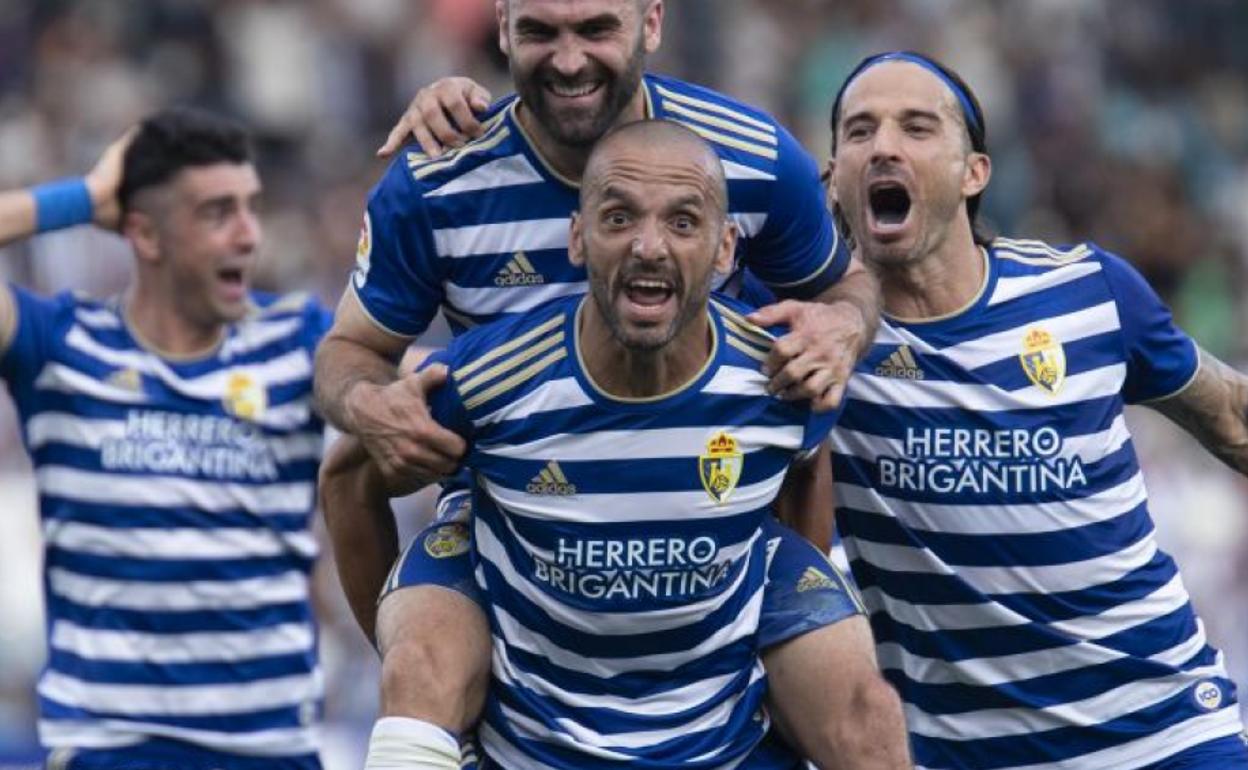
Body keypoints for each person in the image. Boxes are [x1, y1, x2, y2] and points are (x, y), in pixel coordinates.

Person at [315, 0, 886, 765]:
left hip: (707, 494)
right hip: (514, 510)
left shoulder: (750, 156)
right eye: (541, 32)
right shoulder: (440, 175)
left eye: (595, 29)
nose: (570, 59)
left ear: (650, 23)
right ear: (503, 27)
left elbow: (842, 298)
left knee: (862, 707)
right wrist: (369, 406)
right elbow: (347, 360)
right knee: (420, 665)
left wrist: (844, 323)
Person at [822, 51, 1248, 768]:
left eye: (917, 127)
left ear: (974, 173)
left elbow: (1233, 417)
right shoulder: (823, 348)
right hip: (974, 754)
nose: (884, 145)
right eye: (859, 131)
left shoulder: (1090, 291)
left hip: (1166, 731)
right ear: (832, 180)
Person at [0, 109, 330, 769]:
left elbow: (434, 390)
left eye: (251, 208)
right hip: (110, 749)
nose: (249, 235)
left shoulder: (299, 342)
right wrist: (85, 200)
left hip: (270, 751)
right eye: (216, 213)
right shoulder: (62, 344)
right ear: (145, 235)